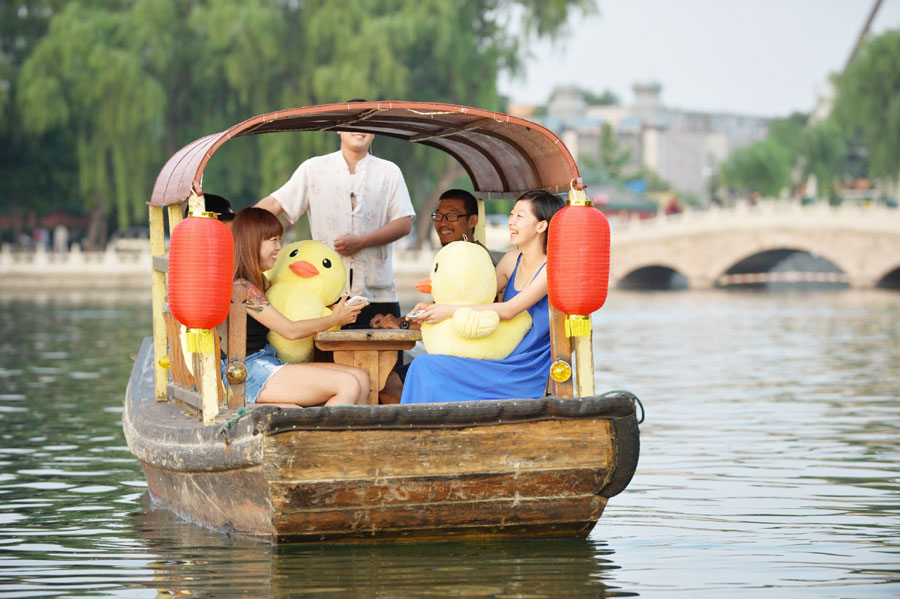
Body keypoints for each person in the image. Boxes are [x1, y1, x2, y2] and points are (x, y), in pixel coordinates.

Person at [256, 101, 416, 330]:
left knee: (386, 361)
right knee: (328, 362)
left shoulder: (389, 172)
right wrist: (243, 227)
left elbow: (403, 223)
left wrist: (361, 241)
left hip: (378, 291)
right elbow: (275, 203)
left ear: (375, 131)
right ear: (339, 127)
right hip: (326, 293)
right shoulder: (313, 169)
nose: (359, 129)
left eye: (367, 123)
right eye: (352, 122)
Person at [400, 190, 565, 404]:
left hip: (522, 369)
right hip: (497, 355)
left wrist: (447, 311)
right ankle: (422, 431)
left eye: (520, 216)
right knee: (422, 366)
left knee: (425, 367)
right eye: (512, 215)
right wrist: (432, 306)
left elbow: (509, 310)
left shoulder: (550, 268)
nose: (511, 222)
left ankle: (419, 429)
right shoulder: (512, 259)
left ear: (541, 226)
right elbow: (476, 298)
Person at [229, 207, 370, 407]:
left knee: (361, 378)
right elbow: (290, 330)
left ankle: (358, 437)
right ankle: (326, 438)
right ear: (251, 243)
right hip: (247, 371)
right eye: (273, 240)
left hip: (266, 361)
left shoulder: (260, 280)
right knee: (347, 384)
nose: (279, 247)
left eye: (279, 239)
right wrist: (334, 319)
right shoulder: (241, 287)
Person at [369, 188, 496, 403]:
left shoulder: (474, 262)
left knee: (386, 385)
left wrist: (403, 325)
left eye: (453, 216)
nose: (443, 223)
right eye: (438, 216)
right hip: (447, 352)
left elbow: (458, 315)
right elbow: (440, 307)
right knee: (382, 380)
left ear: (472, 220)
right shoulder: (450, 256)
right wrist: (400, 321)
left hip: (467, 358)